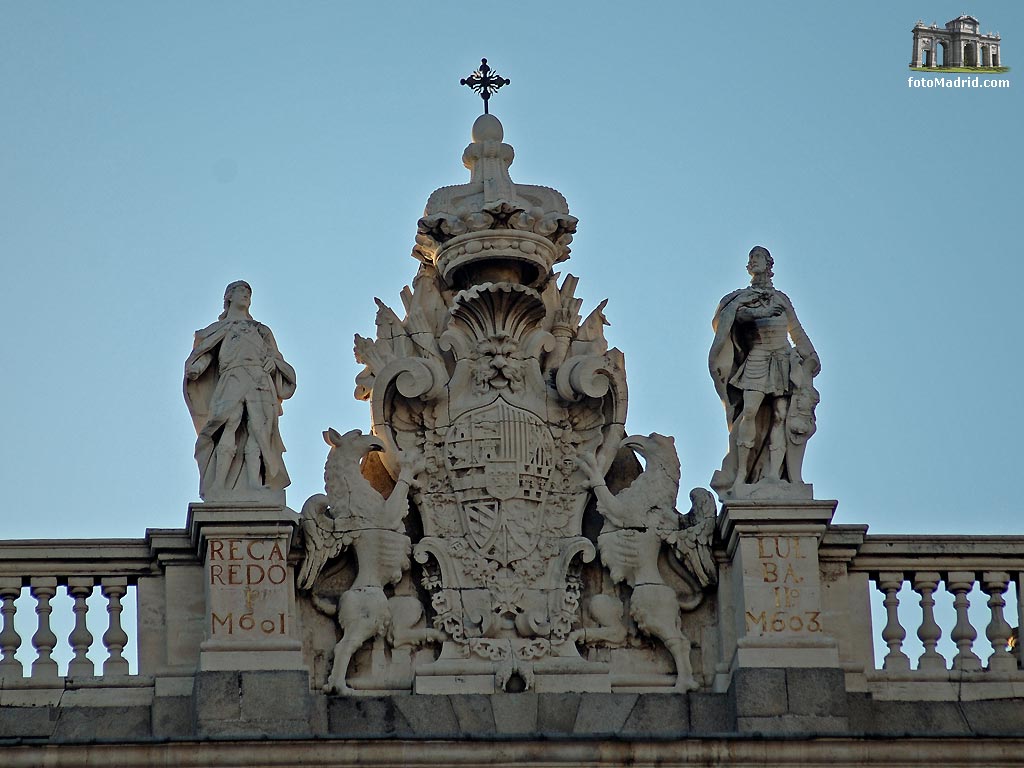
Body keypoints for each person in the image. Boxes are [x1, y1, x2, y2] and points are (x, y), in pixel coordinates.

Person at [709, 247, 819, 496]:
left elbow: (796, 330)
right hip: (758, 357)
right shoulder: (742, 298)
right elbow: (738, 317)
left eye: (757, 257)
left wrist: (810, 354)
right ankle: (740, 477)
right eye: (750, 259)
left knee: (781, 415)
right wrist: (763, 312)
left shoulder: (781, 298)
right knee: (749, 411)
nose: (752, 261)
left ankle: (773, 475)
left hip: (781, 359)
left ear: (768, 263)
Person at [184, 281, 296, 499]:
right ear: (229, 297)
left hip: (259, 381)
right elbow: (207, 353)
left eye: (248, 292)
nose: (245, 295)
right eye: (240, 291)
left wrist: (274, 364)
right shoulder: (219, 329)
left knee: (258, 430)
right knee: (229, 423)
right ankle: (219, 484)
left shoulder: (261, 330)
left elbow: (275, 356)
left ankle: (254, 483)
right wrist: (196, 368)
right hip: (232, 378)